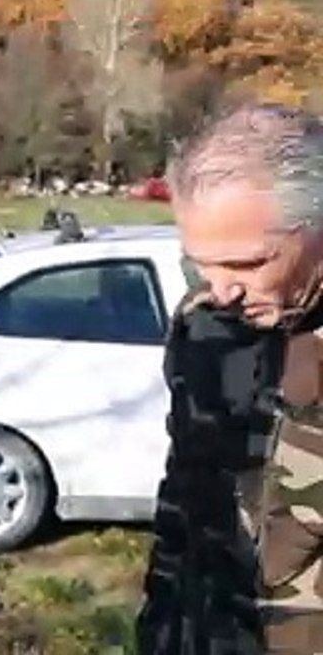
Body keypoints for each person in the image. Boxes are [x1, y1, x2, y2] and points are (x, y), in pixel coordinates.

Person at [137, 102, 323, 654]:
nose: (223, 290)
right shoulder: (205, 324)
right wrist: (161, 628)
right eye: (201, 264)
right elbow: (184, 498)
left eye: (246, 265)